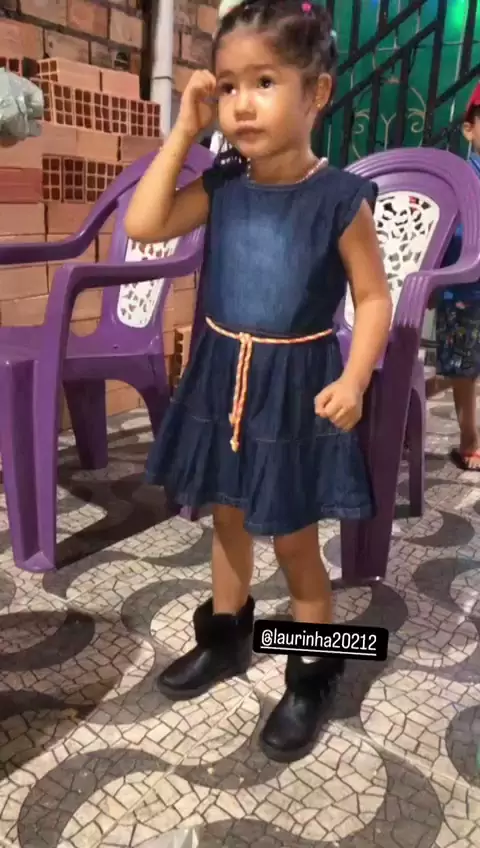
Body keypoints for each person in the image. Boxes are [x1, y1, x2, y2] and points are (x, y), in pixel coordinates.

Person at [125, 0, 391, 763]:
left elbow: (374, 298)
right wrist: (183, 131)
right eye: (229, 85)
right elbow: (144, 225)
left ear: (317, 92)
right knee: (229, 522)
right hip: (222, 379)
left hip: (296, 390)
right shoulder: (224, 185)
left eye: (265, 81)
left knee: (296, 542)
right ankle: (226, 638)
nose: (242, 102)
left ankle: (311, 674)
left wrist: (356, 378)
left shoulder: (339, 199)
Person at [426, 83, 480, 471]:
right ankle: (469, 441)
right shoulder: (461, 179)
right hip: (464, 292)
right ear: (469, 129)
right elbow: (445, 233)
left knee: (463, 366)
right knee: (462, 369)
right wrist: (434, 282)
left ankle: (407, 395)